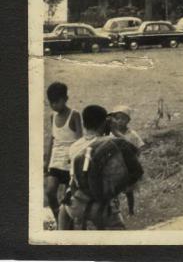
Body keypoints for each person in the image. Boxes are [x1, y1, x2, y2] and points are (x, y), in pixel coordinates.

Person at [60, 104, 141, 230]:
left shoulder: (74, 147)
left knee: (63, 211)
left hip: (76, 204)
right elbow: (134, 153)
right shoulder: (112, 143)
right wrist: (116, 132)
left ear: (84, 123)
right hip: (104, 205)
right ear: (104, 123)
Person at [44, 82, 82, 223]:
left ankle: (67, 222)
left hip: (70, 161)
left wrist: (76, 161)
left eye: (56, 102)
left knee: (68, 197)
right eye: (51, 103)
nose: (54, 105)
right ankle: (57, 218)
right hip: (56, 159)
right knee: (49, 191)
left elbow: (80, 140)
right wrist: (47, 162)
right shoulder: (52, 116)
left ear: (65, 98)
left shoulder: (75, 115)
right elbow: (52, 140)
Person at [106, 106, 143, 216]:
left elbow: (139, 147)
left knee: (128, 190)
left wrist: (135, 159)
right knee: (115, 190)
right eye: (117, 118)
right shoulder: (111, 135)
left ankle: (131, 210)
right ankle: (116, 211)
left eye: (123, 118)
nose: (120, 121)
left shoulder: (132, 134)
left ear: (128, 120)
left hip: (128, 167)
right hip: (116, 165)